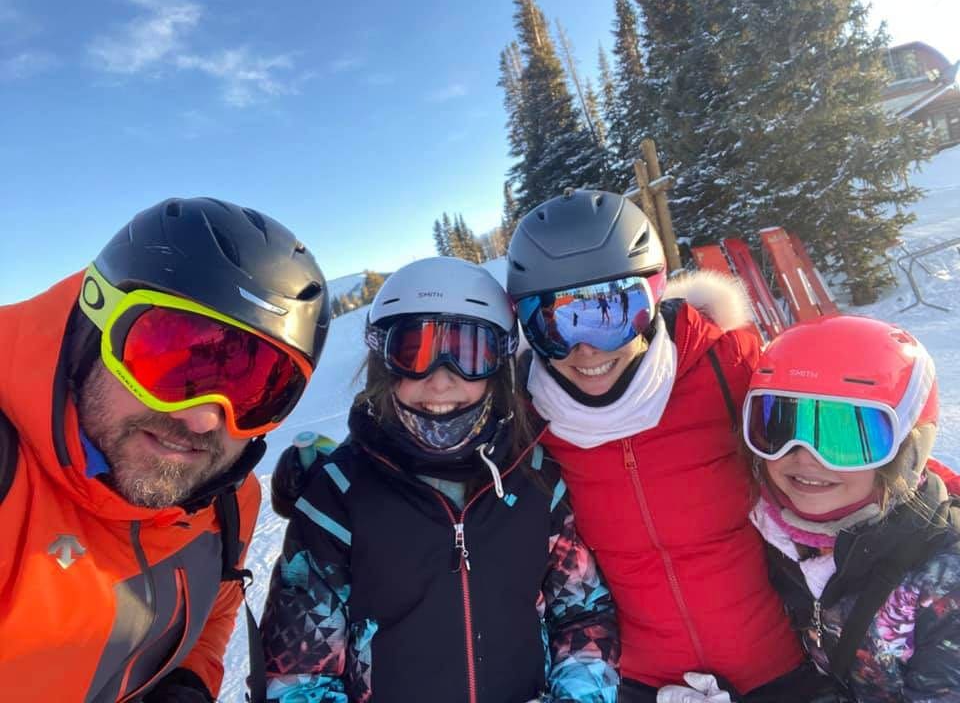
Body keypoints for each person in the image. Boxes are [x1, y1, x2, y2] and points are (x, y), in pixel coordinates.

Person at [0, 197, 330, 703]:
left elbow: (217, 606)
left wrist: (188, 682)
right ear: (94, 322)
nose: (202, 418)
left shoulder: (227, 499)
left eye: (256, 388)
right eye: (168, 357)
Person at [507, 189, 831, 702]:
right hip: (641, 686)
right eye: (555, 325)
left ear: (653, 296)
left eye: (612, 313)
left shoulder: (728, 363)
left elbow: (854, 450)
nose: (586, 348)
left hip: (783, 671)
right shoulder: (525, 419)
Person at [259, 256, 620, 703]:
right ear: (383, 363)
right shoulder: (338, 498)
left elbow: (583, 616)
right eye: (414, 352)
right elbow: (296, 675)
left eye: (470, 353)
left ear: (500, 363)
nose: (440, 381)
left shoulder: (535, 478)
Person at [744, 315, 960, 701]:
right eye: (779, 426)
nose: (806, 457)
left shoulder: (946, 582)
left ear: (907, 453)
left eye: (847, 437)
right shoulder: (772, 538)